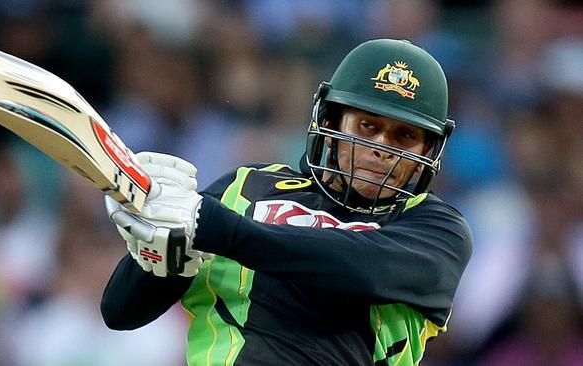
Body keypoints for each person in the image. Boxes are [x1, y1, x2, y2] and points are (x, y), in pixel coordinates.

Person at [100, 39, 473, 366]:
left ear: (429, 149)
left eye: (404, 136)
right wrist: (158, 251)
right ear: (332, 123)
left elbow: (357, 267)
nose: (381, 150)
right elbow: (120, 312)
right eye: (368, 127)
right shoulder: (244, 187)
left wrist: (217, 228)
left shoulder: (436, 228)